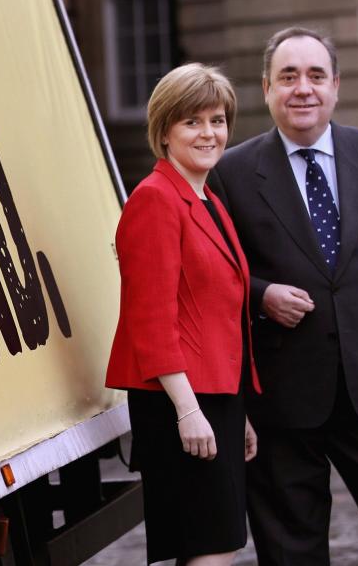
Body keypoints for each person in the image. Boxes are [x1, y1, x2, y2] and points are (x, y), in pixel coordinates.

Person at [209, 27, 358, 565]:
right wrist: (261, 295)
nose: (302, 88)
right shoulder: (229, 173)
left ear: (336, 86)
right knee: (291, 555)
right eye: (288, 77)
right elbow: (213, 277)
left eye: (315, 76)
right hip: (281, 401)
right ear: (266, 88)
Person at [106, 63, 261, 566]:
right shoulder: (154, 200)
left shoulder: (209, 199)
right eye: (191, 122)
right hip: (178, 402)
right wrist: (189, 410)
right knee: (212, 548)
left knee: (217, 545)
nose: (209, 133)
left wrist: (239, 414)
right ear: (164, 131)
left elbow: (221, 314)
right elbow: (149, 320)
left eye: (217, 120)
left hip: (216, 399)